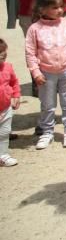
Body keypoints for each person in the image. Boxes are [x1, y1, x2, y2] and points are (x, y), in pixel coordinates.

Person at [25, 0, 66, 151]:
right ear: (42, 10)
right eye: (54, 7)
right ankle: (47, 131)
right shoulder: (34, 29)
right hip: (45, 73)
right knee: (47, 104)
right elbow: (30, 52)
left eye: (61, 7)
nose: (59, 10)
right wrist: (35, 72)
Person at [0, 38, 21, 166]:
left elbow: (14, 82)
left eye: (4, 54)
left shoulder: (8, 67)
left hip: (6, 107)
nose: (3, 57)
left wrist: (16, 95)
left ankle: (3, 155)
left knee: (4, 132)